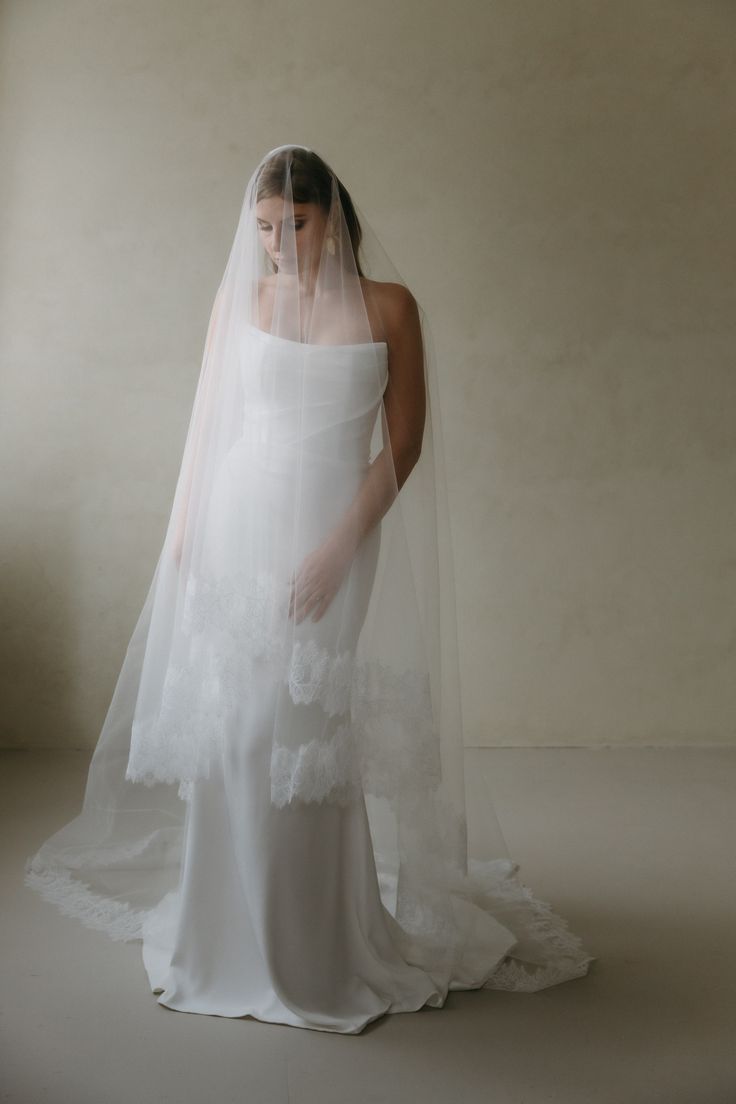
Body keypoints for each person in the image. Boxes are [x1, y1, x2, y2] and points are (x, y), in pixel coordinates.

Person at [24, 144, 596, 1034]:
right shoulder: (241, 298)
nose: (277, 248)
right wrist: (183, 535)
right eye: (261, 231)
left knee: (303, 731)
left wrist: (338, 546)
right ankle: (225, 935)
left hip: (336, 530)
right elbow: (207, 425)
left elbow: (401, 446)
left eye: (293, 226)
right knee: (237, 726)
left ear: (335, 217)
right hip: (238, 523)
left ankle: (318, 945)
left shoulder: (390, 308)